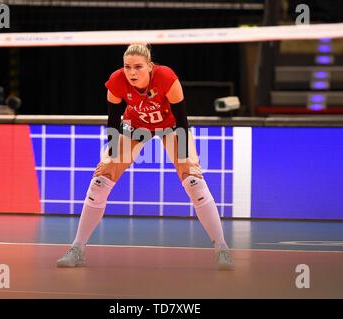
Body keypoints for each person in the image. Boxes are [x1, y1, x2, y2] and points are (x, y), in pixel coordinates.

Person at [57, 44, 234, 270]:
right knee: (100, 180)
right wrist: (111, 154)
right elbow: (113, 120)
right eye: (127, 67)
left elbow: (182, 120)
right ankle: (77, 248)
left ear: (150, 66)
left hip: (171, 126)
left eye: (138, 67)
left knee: (193, 180)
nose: (132, 72)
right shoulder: (117, 81)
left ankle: (222, 249)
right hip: (135, 126)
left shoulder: (166, 78)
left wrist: (187, 157)